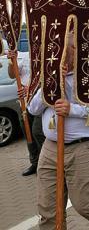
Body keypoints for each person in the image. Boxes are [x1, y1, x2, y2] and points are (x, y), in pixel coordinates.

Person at [28, 32, 89, 229]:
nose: (65, 53)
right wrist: (52, 82)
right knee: (48, 210)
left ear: (79, 50)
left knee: (84, 204)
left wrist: (74, 110)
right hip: (51, 148)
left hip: (85, 148)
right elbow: (33, 108)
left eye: (70, 48)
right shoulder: (49, 72)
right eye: (62, 48)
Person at [8, 48, 45, 176]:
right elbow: (12, 75)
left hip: (40, 102)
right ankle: (35, 162)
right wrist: (11, 61)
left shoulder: (48, 54)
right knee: (27, 131)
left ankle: (45, 163)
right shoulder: (25, 56)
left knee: (37, 131)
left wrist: (30, 89)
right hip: (24, 103)